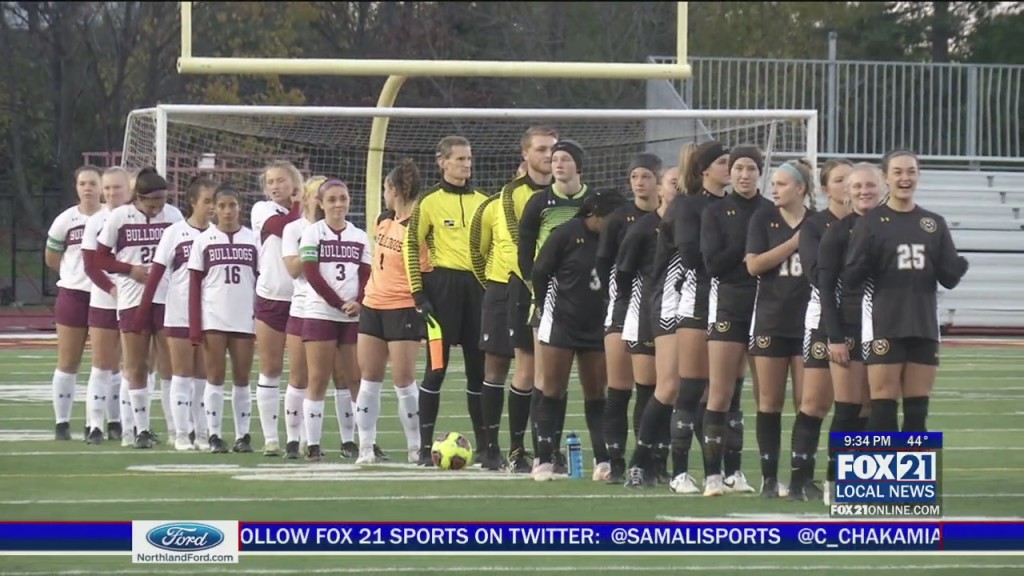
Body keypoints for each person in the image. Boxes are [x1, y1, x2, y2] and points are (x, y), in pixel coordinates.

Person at [843, 150, 969, 433]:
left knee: (916, 413)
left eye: (911, 171)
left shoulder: (933, 223)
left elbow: (948, 279)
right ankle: (881, 477)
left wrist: (958, 267)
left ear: (918, 177)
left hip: (923, 325)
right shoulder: (871, 222)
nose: (905, 178)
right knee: (883, 408)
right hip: (885, 323)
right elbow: (851, 279)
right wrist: (865, 260)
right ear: (886, 177)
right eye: (898, 172)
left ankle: (909, 479)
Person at [404, 136, 488, 466]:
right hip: (443, 290)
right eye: (460, 159)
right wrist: (418, 293)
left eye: (469, 158)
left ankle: (486, 446)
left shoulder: (484, 201)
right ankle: (425, 449)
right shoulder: (429, 202)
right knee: (436, 369)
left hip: (478, 290)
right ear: (443, 162)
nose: (467, 164)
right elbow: (412, 247)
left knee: (478, 371)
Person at [531, 190, 627, 481]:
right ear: (595, 214)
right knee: (552, 390)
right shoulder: (567, 234)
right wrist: (544, 305)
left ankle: (603, 459)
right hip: (561, 322)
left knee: (596, 394)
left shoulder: (616, 239)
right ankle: (544, 459)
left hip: (597, 326)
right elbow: (540, 271)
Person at [699, 145, 772, 496]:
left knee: (760, 395)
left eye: (751, 169)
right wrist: (750, 247)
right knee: (720, 392)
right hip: (728, 304)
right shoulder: (716, 212)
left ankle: (739, 472)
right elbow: (713, 264)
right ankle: (712, 475)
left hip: (767, 309)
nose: (744, 174)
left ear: (760, 173)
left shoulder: (772, 211)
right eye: (738, 168)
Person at [94, 168, 183, 449]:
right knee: (136, 365)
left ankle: (175, 429)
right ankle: (139, 429)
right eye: (152, 204)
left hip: (168, 298)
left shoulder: (173, 216)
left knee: (170, 365)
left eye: (161, 203)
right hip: (132, 298)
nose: (158, 209)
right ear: (139, 198)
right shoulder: (119, 217)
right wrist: (129, 269)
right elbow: (100, 259)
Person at [518, 139, 592, 475]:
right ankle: (543, 454)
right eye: (554, 158)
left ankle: (604, 457)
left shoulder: (594, 202)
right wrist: (535, 286)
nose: (557, 164)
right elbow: (525, 250)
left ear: (578, 165)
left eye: (564, 159)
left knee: (595, 383)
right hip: (549, 300)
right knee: (547, 380)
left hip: (590, 303)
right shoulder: (538, 202)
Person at [813, 162, 884, 503]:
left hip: (888, 328)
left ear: (882, 187)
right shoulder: (839, 232)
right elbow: (826, 289)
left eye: (870, 185)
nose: (863, 192)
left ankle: (865, 480)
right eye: (857, 187)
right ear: (847, 191)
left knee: (876, 408)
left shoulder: (897, 229)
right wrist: (835, 336)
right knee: (848, 407)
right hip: (850, 328)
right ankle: (834, 480)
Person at [745, 159, 815, 498]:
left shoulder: (819, 222)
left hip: (808, 322)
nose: (775, 188)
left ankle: (802, 478)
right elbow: (754, 265)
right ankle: (769, 478)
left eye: (783, 183)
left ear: (801, 188)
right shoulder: (763, 218)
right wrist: (793, 243)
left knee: (807, 403)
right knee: (769, 402)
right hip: (771, 319)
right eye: (774, 182)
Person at [668, 141, 731, 494]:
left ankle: (718, 474)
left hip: (732, 304)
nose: (731, 170)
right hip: (697, 300)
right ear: (705, 169)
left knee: (723, 393)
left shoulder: (739, 207)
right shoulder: (689, 206)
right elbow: (692, 256)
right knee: (691, 388)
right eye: (723, 163)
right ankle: (679, 472)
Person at [136, 176, 216, 451]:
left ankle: (203, 434)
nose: (212, 207)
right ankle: (181, 433)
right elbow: (156, 274)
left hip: (210, 316)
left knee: (203, 378)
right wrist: (142, 313)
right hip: (179, 312)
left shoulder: (218, 234)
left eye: (214, 202)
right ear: (192, 202)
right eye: (207, 201)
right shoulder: (174, 232)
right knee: (181, 374)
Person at [790, 158, 853, 500]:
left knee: (859, 405)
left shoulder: (870, 223)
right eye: (840, 180)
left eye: (852, 178)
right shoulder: (815, 226)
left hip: (864, 321)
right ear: (826, 188)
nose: (848, 185)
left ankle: (841, 478)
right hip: (823, 320)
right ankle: (800, 479)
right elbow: (816, 274)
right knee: (814, 402)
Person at [357, 160, 427, 464]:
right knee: (369, 379)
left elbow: (425, 270)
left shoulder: (419, 225)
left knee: (403, 380)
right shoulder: (382, 220)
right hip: (373, 305)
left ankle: (415, 447)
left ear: (395, 190)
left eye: (386, 188)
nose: (384, 194)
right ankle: (365, 447)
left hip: (403, 307)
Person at [597, 153, 662, 482]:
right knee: (619, 387)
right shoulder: (619, 219)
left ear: (658, 180)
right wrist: (615, 298)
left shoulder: (669, 217)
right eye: (635, 176)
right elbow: (605, 263)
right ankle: (615, 461)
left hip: (658, 308)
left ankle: (649, 460)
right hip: (624, 306)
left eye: (646, 176)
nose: (640, 182)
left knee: (648, 387)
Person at [622, 166, 685, 488]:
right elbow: (619, 270)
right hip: (649, 312)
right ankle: (640, 464)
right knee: (652, 389)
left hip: (683, 311)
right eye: (674, 183)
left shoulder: (690, 220)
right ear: (662, 189)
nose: (679, 188)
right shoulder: (645, 228)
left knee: (680, 390)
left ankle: (664, 465)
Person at [299, 179, 371, 461]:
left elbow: (366, 273)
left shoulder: (359, 236)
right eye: (332, 200)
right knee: (318, 378)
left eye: (342, 198)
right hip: (320, 312)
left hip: (351, 316)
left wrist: (360, 301)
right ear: (321, 203)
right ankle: (313, 444)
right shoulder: (312, 233)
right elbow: (311, 273)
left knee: (354, 377)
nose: (338, 204)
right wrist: (338, 302)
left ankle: (355, 442)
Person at [501, 126, 558, 473]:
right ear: (526, 154)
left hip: (563, 290)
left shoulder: (566, 193)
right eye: (541, 149)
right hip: (525, 286)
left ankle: (546, 448)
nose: (548, 155)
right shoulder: (514, 193)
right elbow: (517, 238)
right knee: (526, 368)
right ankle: (517, 449)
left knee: (552, 372)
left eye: (552, 149)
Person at [187, 183, 260, 454]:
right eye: (221, 206)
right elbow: (195, 287)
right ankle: (215, 434)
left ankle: (243, 435)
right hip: (213, 318)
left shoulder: (253, 240)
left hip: (244, 318)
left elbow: (261, 283)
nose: (227, 211)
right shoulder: (203, 241)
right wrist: (195, 327)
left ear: (240, 207)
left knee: (242, 378)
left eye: (232, 205)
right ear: (213, 209)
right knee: (214, 377)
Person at [46, 166, 103, 441]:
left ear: (101, 186)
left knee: (106, 363)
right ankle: (62, 422)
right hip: (74, 295)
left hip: (105, 296)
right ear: (76, 187)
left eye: (93, 183)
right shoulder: (65, 220)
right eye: (83, 183)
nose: (88, 188)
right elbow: (52, 257)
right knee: (68, 360)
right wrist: (73, 277)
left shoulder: (111, 218)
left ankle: (102, 422)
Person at [252, 161, 304, 457]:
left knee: (301, 374)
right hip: (271, 297)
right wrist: (301, 206)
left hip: (301, 301)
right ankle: (271, 438)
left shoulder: (306, 217)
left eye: (281, 181)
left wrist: (303, 207)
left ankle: (300, 438)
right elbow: (283, 228)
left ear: (294, 184)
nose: (274, 186)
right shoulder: (263, 210)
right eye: (270, 181)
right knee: (270, 368)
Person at [82, 167, 133, 445]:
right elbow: (90, 265)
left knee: (133, 366)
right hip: (105, 300)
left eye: (118, 188)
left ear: (129, 190)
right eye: (108, 188)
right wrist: (112, 289)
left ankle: (129, 424)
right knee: (101, 366)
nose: (112, 193)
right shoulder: (96, 221)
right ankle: (95, 425)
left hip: (134, 300)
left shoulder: (138, 218)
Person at [280, 176, 326, 459]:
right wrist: (313, 245)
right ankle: (292, 440)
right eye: (317, 196)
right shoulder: (294, 229)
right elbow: (294, 269)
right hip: (302, 307)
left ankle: (323, 441)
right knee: (299, 376)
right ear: (307, 199)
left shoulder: (341, 229)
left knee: (335, 378)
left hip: (331, 312)